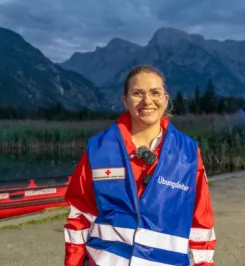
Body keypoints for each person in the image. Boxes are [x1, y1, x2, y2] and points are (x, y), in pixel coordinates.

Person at [64, 65, 216, 266]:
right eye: (137, 93)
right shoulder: (98, 150)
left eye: (155, 93)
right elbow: (79, 218)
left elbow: (201, 222)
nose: (147, 101)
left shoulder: (188, 154)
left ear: (165, 100)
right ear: (125, 101)